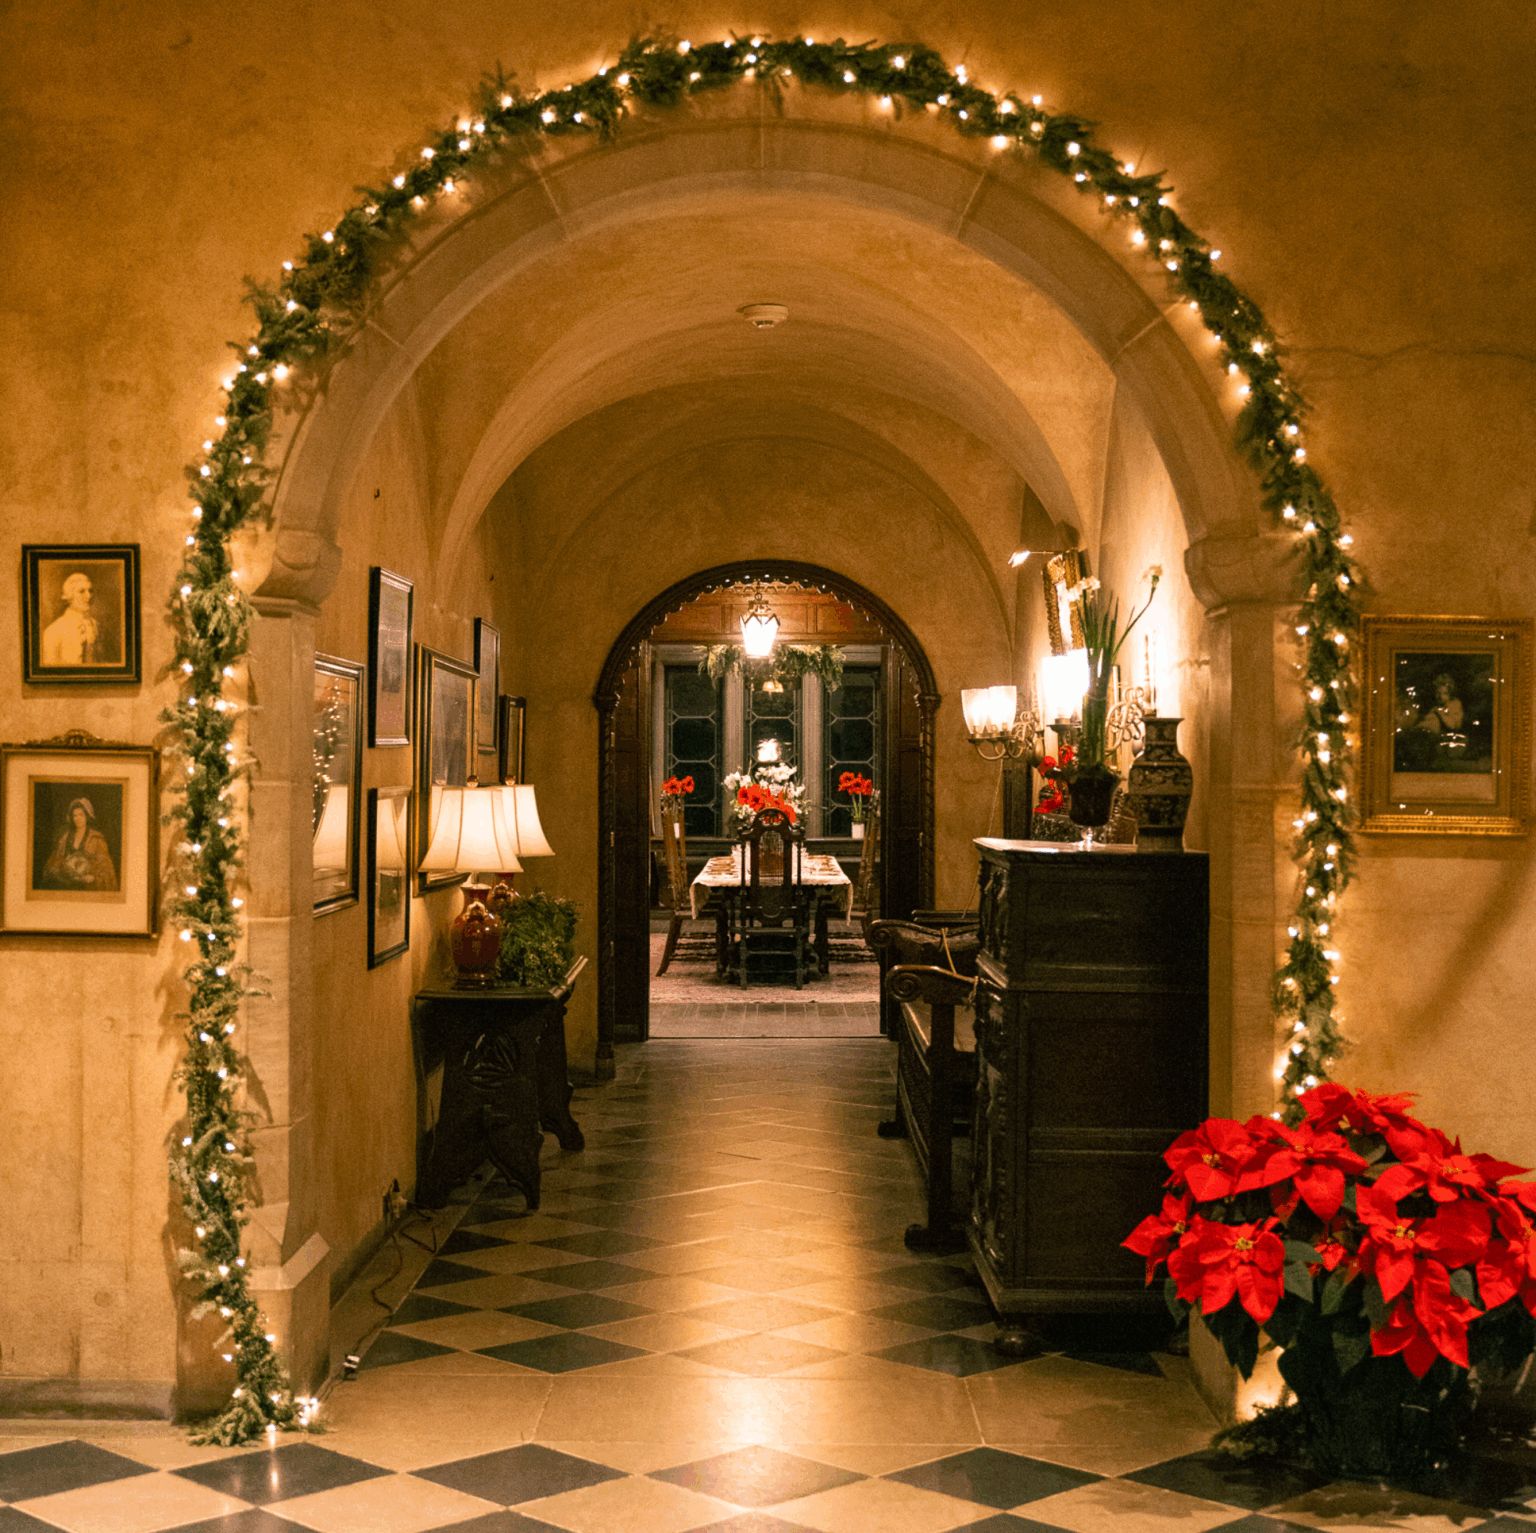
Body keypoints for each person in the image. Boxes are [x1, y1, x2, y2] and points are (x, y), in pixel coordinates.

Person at [41, 798, 118, 892]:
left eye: (81, 815)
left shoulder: (96, 838)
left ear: (87, 816)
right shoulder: (66, 837)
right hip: (67, 885)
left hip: (88, 887)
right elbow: (56, 861)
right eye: (75, 816)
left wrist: (94, 877)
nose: (78, 819)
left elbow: (106, 868)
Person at [40, 572, 100, 665]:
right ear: (69, 596)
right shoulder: (53, 631)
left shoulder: (94, 625)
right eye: (82, 591)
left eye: (90, 591)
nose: (89, 596)